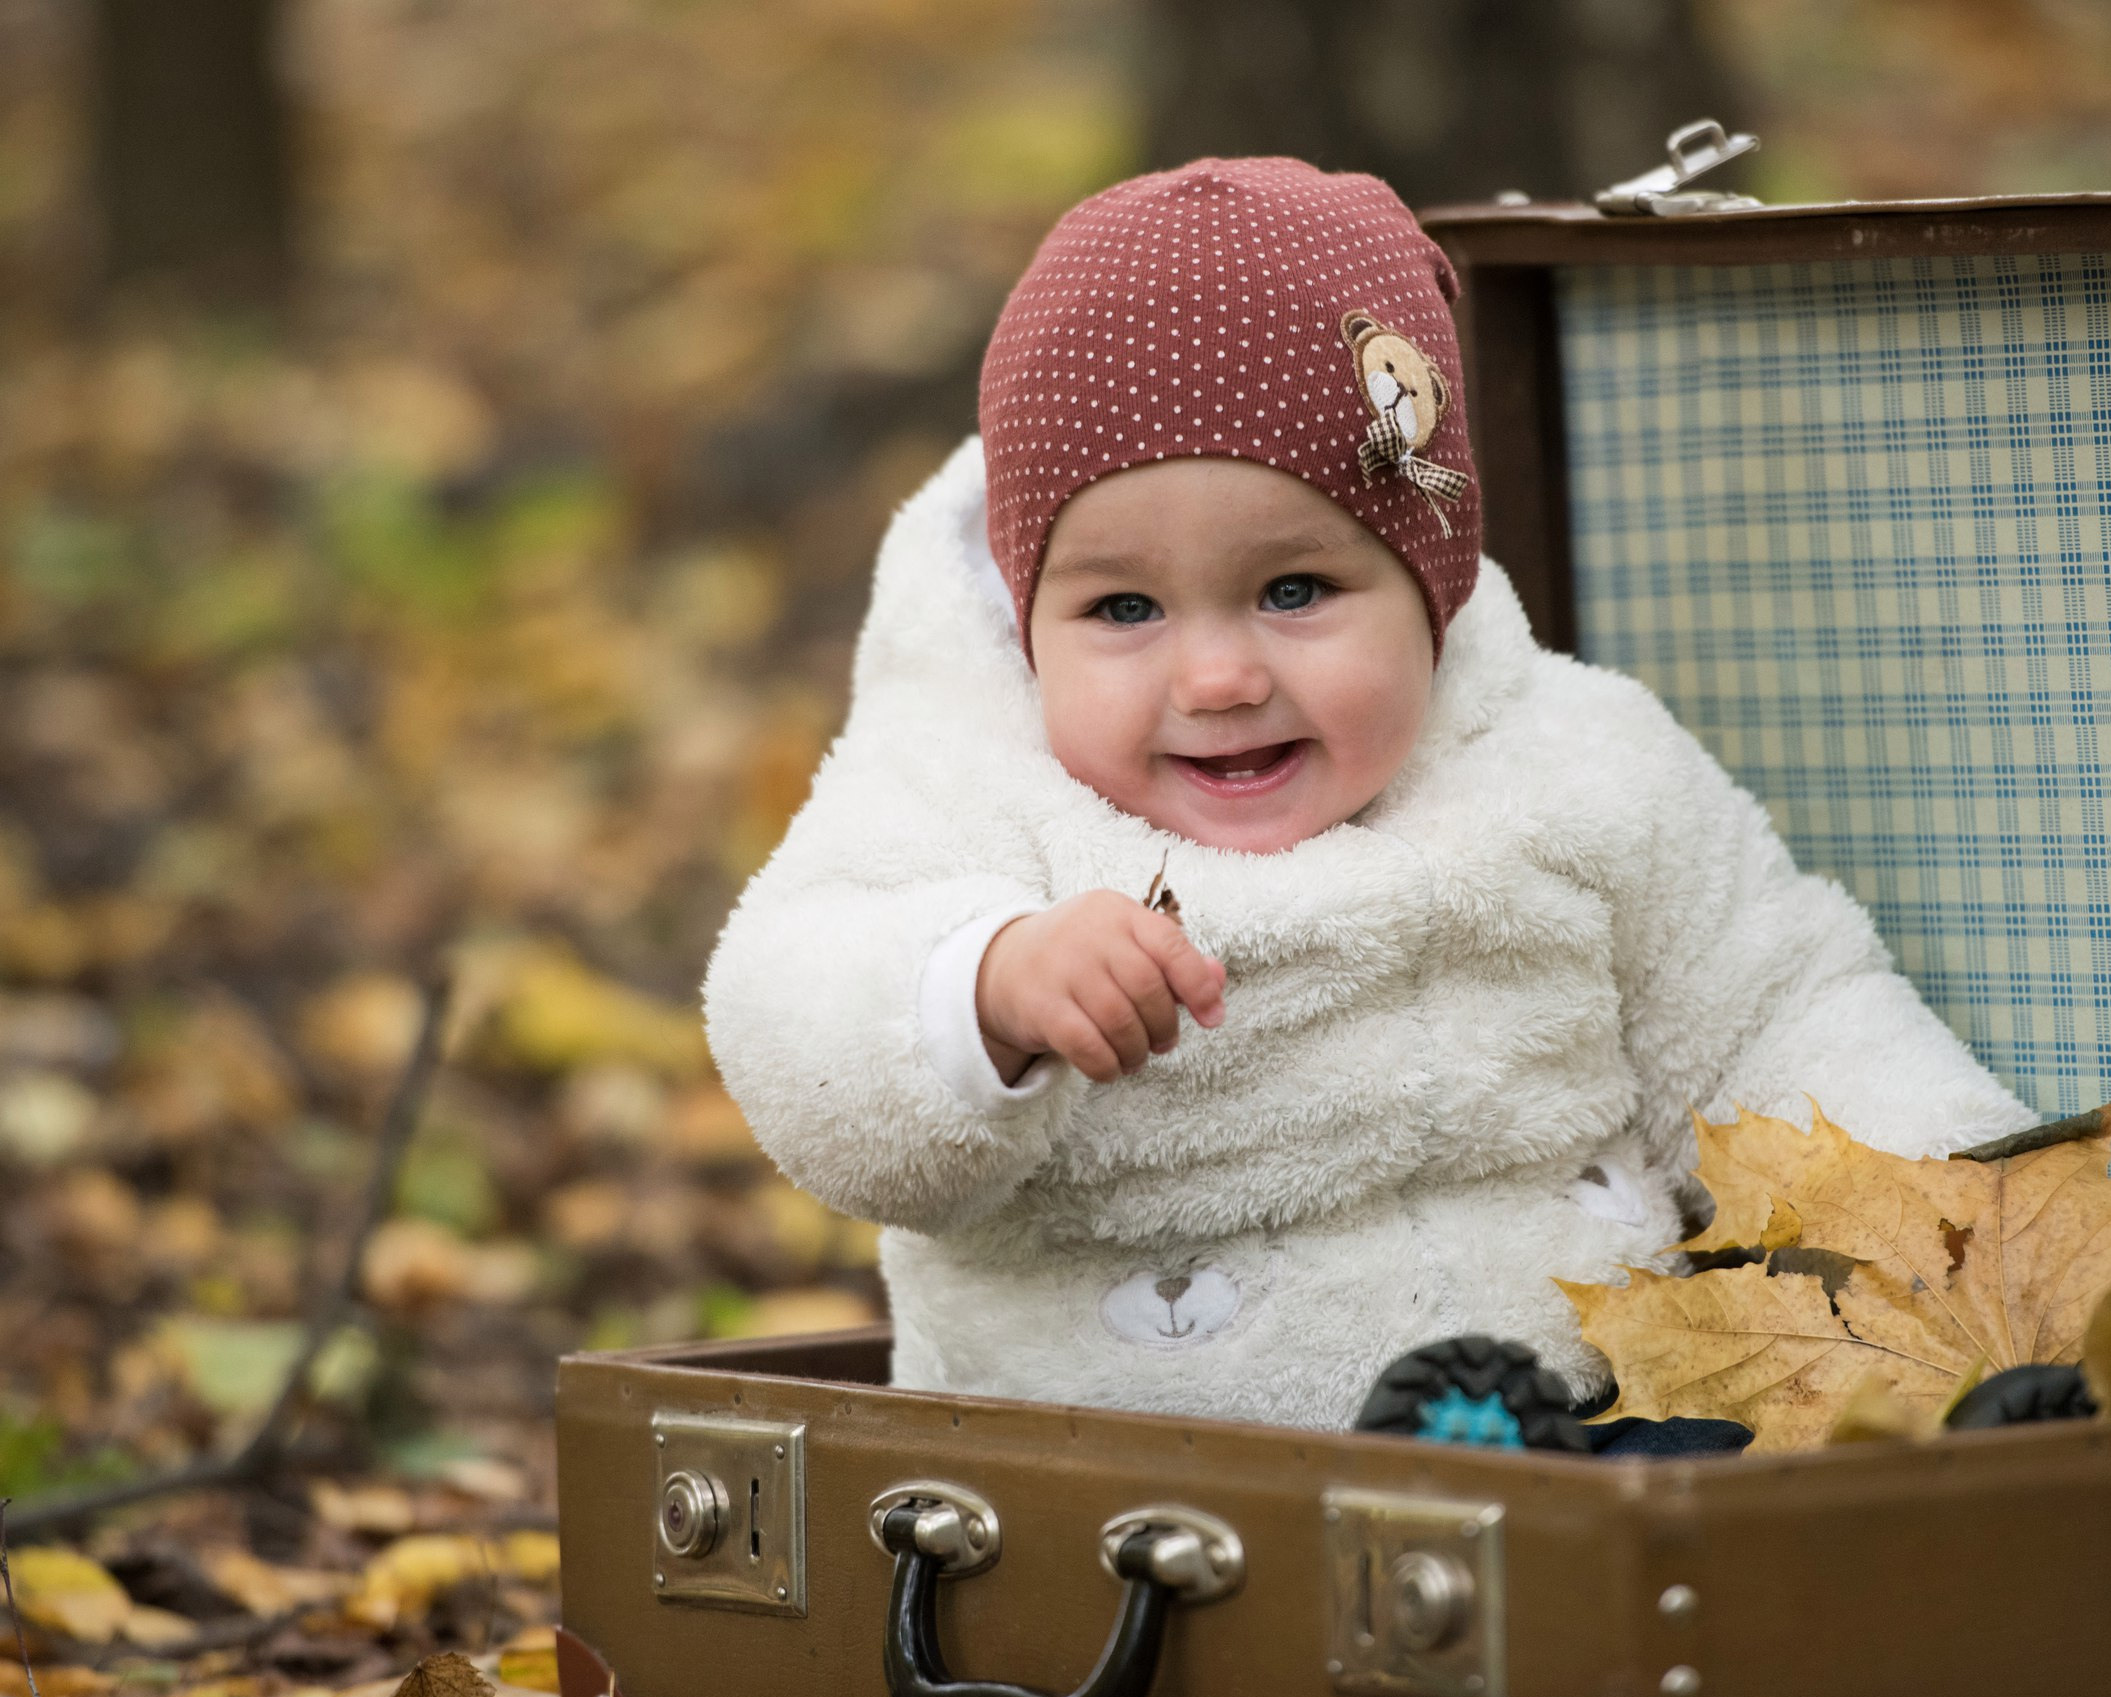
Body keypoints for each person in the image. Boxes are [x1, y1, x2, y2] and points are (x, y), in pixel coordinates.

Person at [702, 157, 2033, 1445]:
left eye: (1295, 592)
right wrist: (981, 989)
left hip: (1601, 1410)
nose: (1219, 676)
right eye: (1122, 608)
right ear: (1027, 615)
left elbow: (1769, 1004)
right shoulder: (966, 788)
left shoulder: (1569, 756)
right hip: (1128, 1450)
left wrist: (1973, 1220)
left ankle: (1977, 1420)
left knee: (1763, 1466)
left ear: (1428, 585)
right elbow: (796, 1009)